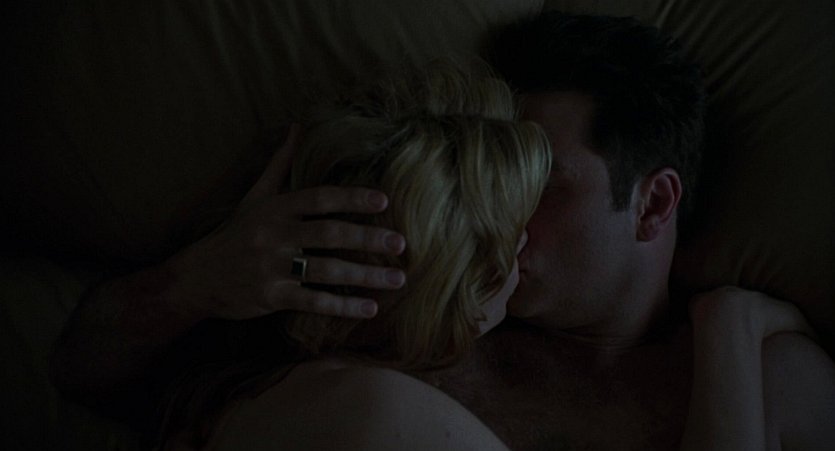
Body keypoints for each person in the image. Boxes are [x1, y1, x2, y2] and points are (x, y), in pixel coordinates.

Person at [55, 63, 552, 449]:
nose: (528, 241)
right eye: (511, 232)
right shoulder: (372, 408)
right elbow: (76, 369)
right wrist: (191, 282)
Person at [415, 11, 835, 450]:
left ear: (653, 205)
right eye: (496, 182)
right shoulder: (437, 358)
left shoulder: (771, 382)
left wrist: (728, 326)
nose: (498, 216)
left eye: (539, 186)